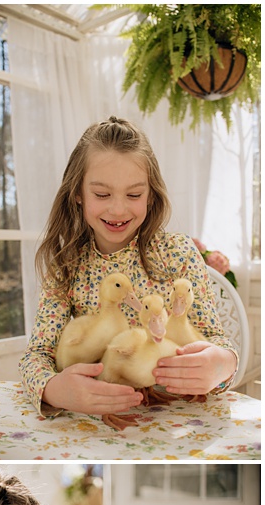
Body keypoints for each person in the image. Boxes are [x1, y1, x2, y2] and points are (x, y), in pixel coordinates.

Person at [20, 116, 237, 417]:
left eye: (134, 194)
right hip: (96, 421)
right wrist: (55, 389)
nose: (118, 209)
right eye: (102, 194)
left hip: (179, 420)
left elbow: (216, 340)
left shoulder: (178, 253)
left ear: (150, 197)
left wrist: (224, 363)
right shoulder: (67, 265)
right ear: (78, 195)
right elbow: (37, 355)